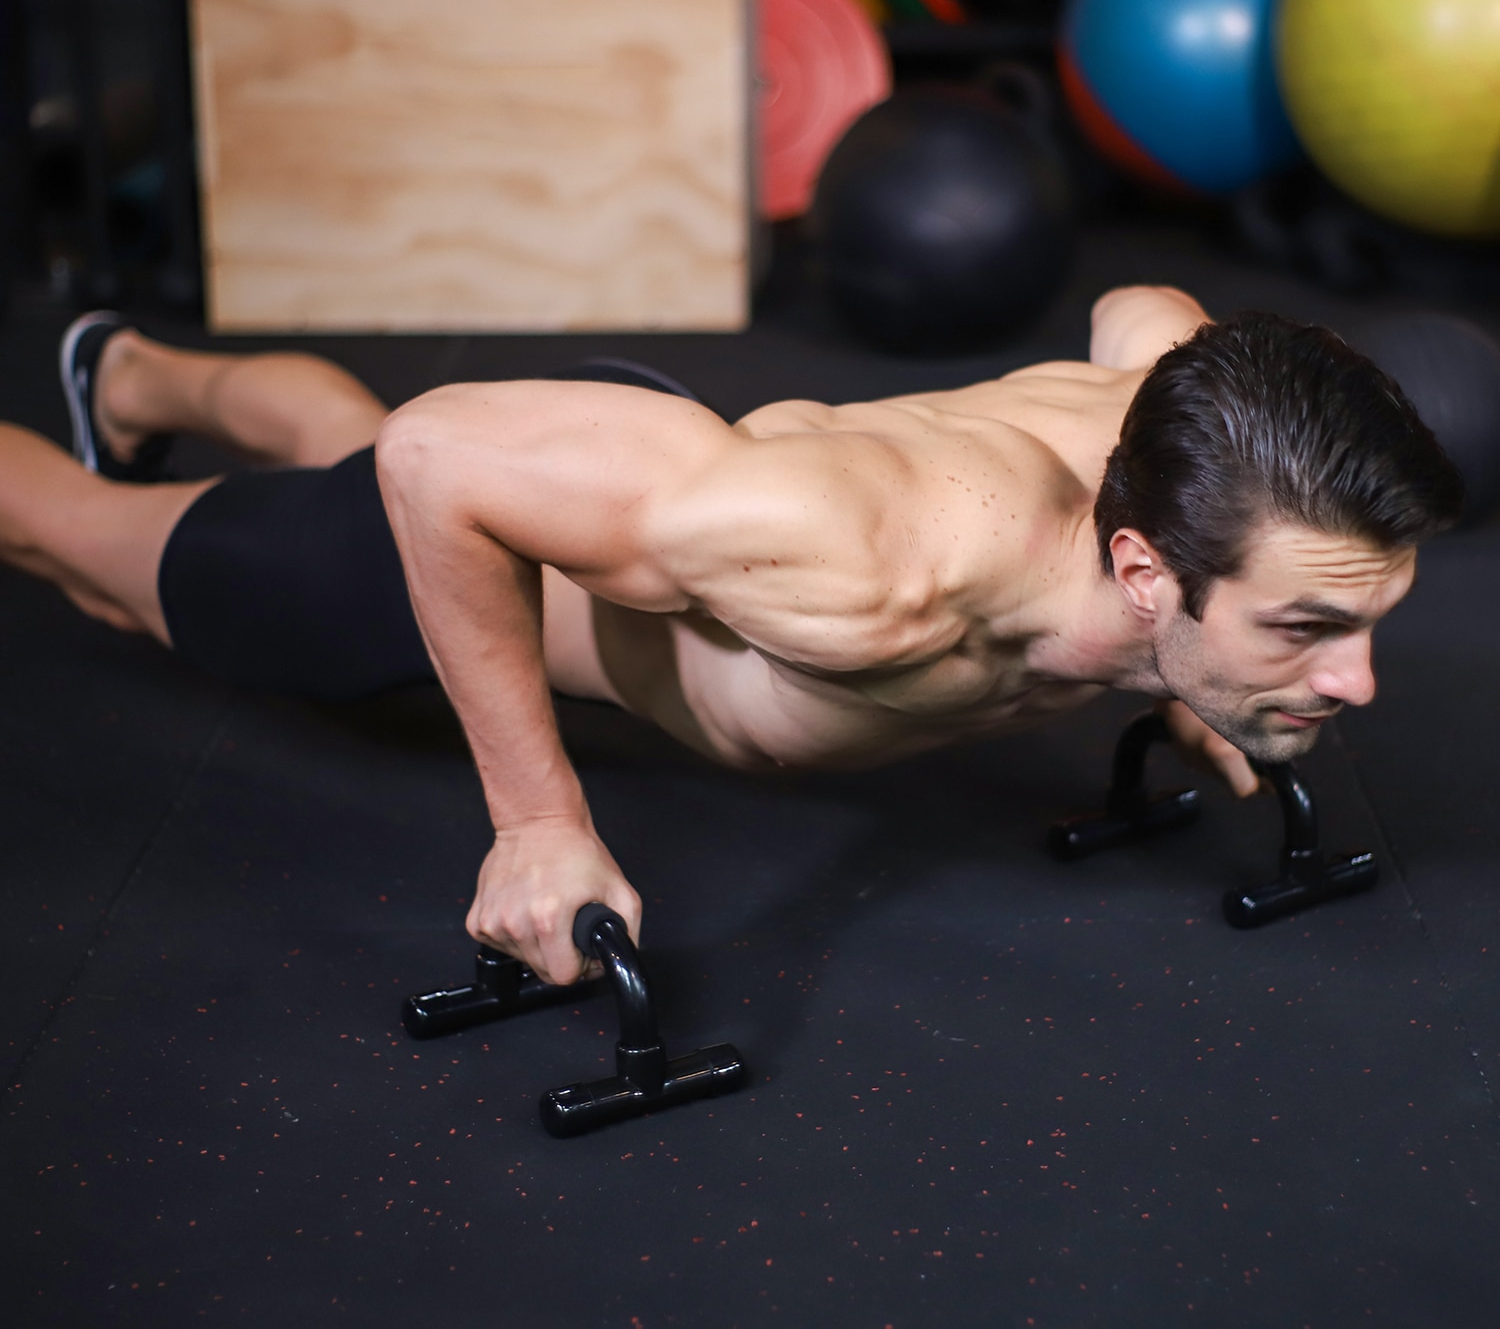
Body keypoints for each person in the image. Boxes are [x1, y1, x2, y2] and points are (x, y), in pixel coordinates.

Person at [3, 287, 1461, 985]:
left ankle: (133, 370)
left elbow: (1146, 313)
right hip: (555, 530)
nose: (1357, 681)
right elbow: (443, 461)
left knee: (355, 448)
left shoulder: (1195, 460)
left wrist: (1222, 671)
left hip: (659, 485)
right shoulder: (881, 566)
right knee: (88, 554)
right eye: (1309, 630)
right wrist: (531, 821)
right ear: (1146, 568)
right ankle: (98, 452)